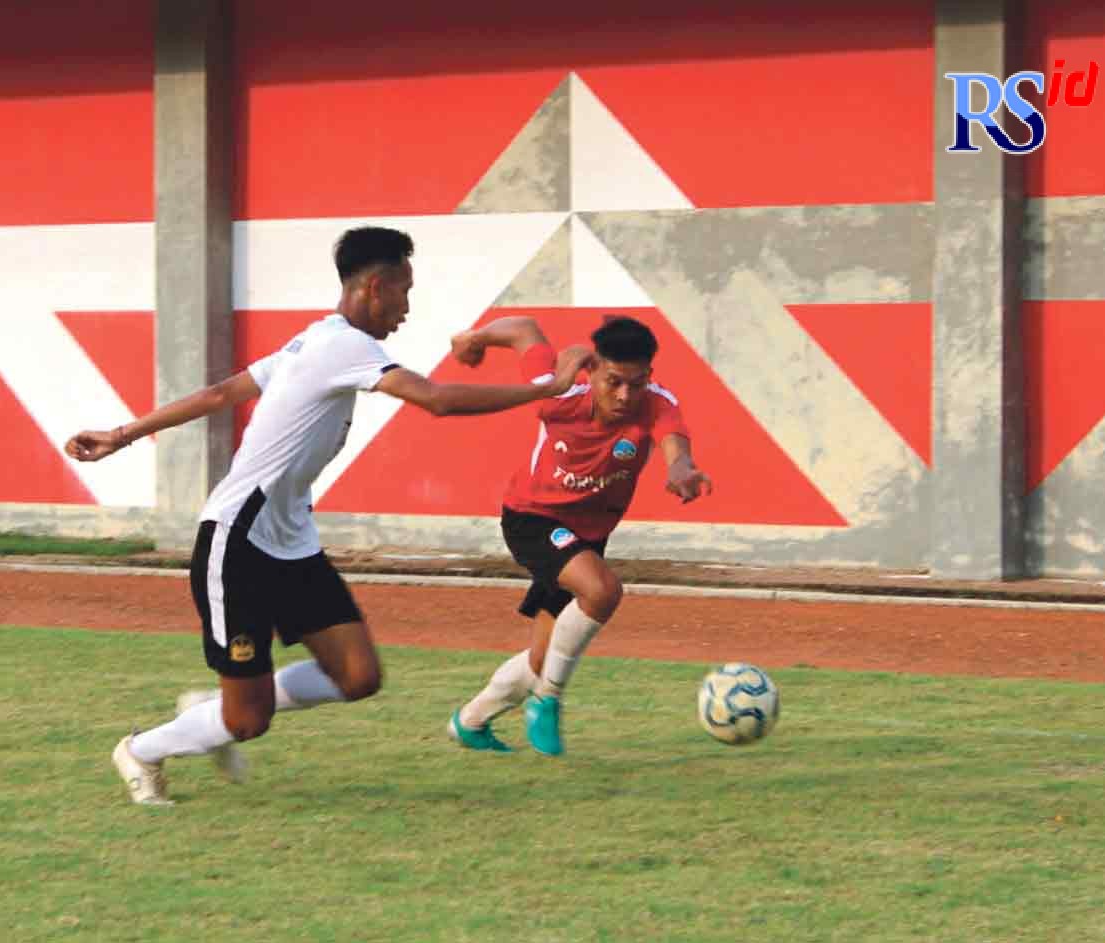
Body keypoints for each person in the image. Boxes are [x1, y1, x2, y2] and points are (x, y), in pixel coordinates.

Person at [65, 226, 593, 804]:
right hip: (237, 541)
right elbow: (436, 400)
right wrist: (548, 387)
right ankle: (142, 750)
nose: (406, 308)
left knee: (358, 677)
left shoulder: (315, 341)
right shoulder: (342, 346)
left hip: (290, 542)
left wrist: (122, 433)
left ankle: (216, 708)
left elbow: (223, 394)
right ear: (374, 287)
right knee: (248, 722)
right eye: (403, 291)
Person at [445, 314, 710, 756]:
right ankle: (548, 701)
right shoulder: (559, 390)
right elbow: (524, 329)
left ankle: (469, 722)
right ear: (593, 370)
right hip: (533, 518)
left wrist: (681, 469)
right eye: (614, 382)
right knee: (602, 590)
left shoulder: (656, 402)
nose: (626, 395)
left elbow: (675, 444)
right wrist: (476, 338)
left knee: (541, 659)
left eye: (637, 383)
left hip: (587, 533)